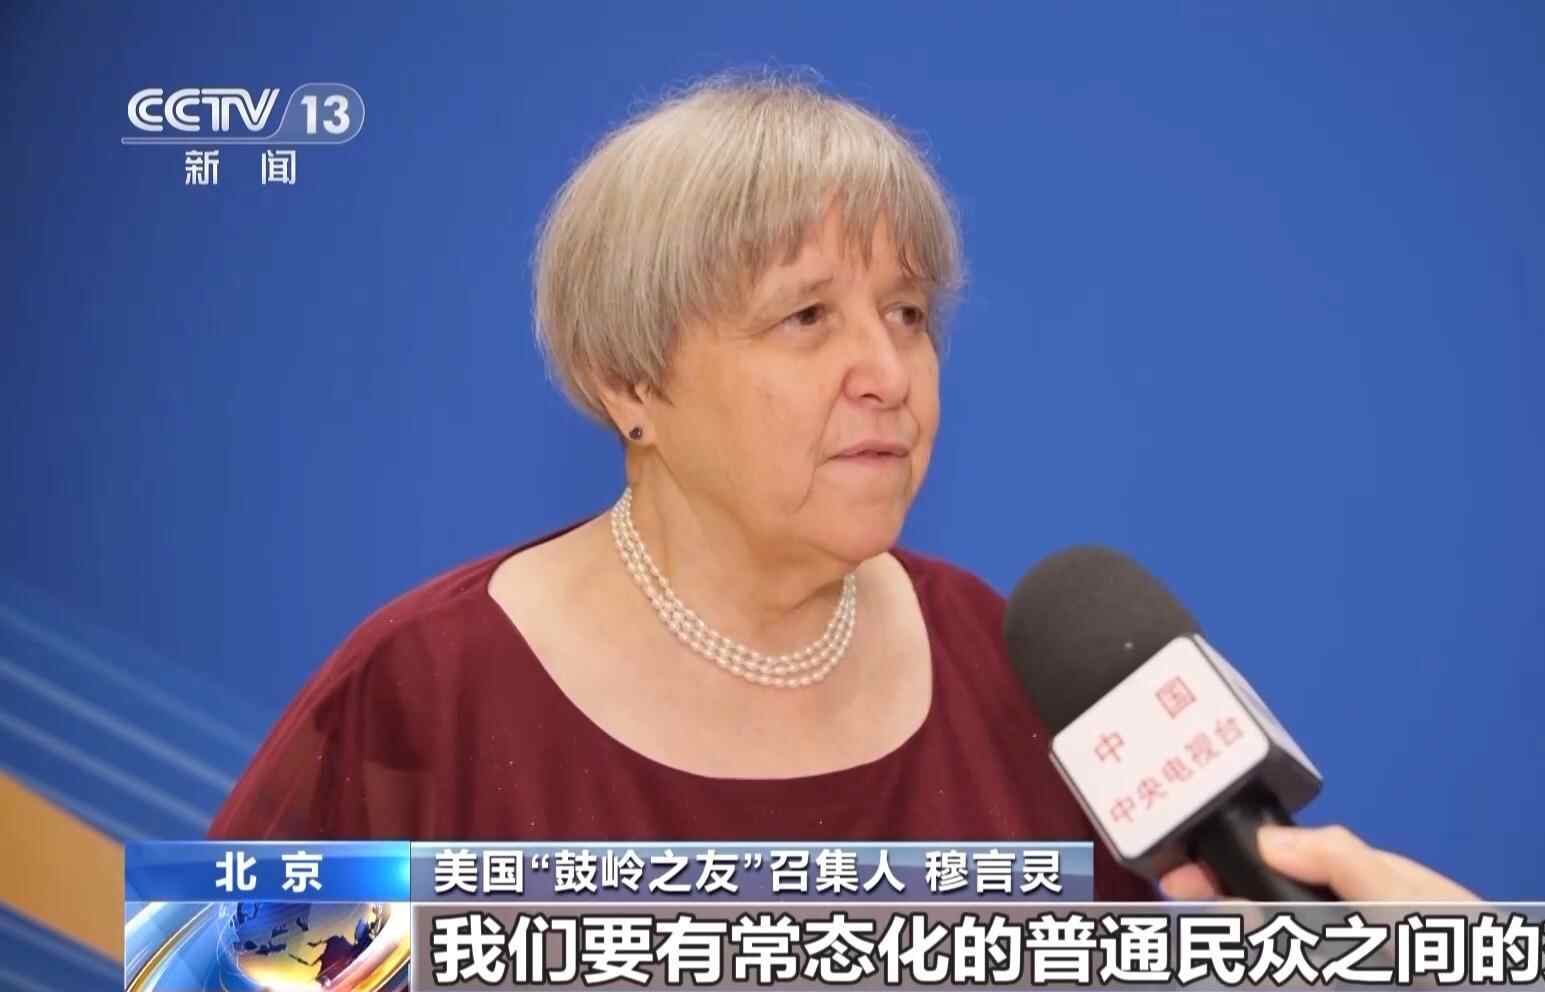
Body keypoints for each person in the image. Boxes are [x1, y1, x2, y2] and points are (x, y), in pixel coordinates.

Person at [208, 70, 1473, 905]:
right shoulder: (420, 696)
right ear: (628, 379)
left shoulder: (1010, 666)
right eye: (806, 317)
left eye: (908, 313)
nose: (888, 372)